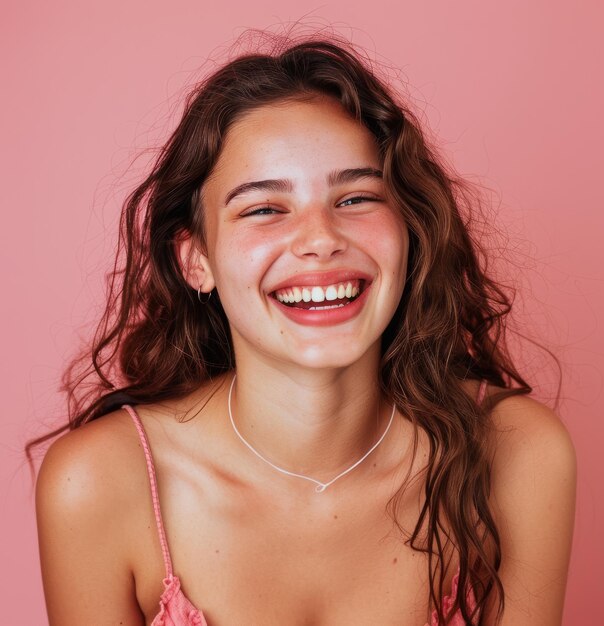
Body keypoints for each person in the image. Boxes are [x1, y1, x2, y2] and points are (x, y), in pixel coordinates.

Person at [31, 31, 576, 626]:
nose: (320, 238)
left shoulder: (519, 455)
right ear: (197, 260)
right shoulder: (100, 485)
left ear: (410, 229)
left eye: (357, 197)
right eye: (264, 208)